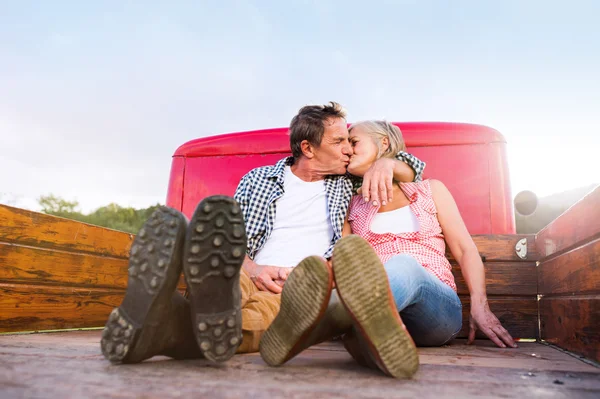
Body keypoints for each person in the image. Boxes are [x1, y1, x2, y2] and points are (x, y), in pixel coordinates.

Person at [100, 102, 426, 364]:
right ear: (308, 148)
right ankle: (178, 317)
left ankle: (167, 318)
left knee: (265, 317)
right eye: (339, 141)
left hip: (299, 288)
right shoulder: (258, 180)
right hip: (244, 271)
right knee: (227, 288)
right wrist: (253, 269)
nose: (347, 150)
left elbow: (414, 166)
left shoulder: (347, 182)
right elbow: (227, 240)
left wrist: (384, 165)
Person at [260, 120, 516, 378]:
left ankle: (328, 323)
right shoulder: (352, 205)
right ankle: (365, 339)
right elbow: (341, 263)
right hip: (385, 322)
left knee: (404, 265)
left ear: (383, 143)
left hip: (436, 312)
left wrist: (480, 305)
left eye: (354, 141)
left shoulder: (429, 191)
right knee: (351, 255)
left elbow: (465, 250)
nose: (347, 150)